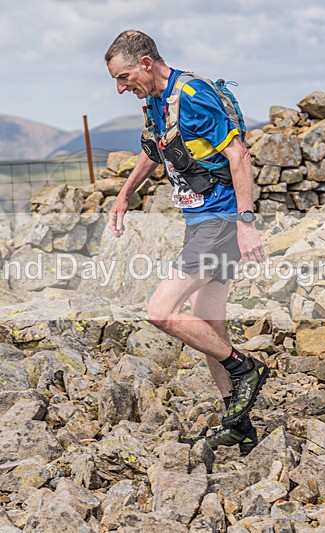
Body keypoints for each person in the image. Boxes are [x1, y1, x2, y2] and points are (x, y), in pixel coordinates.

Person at [104, 30, 269, 454]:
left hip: (221, 221)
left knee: (161, 310)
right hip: (199, 221)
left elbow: (240, 156)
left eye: (123, 77)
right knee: (208, 323)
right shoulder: (158, 102)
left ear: (145, 63)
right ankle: (238, 423)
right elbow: (156, 151)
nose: (121, 88)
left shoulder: (194, 94)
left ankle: (244, 368)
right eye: (116, 81)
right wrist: (124, 195)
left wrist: (246, 223)